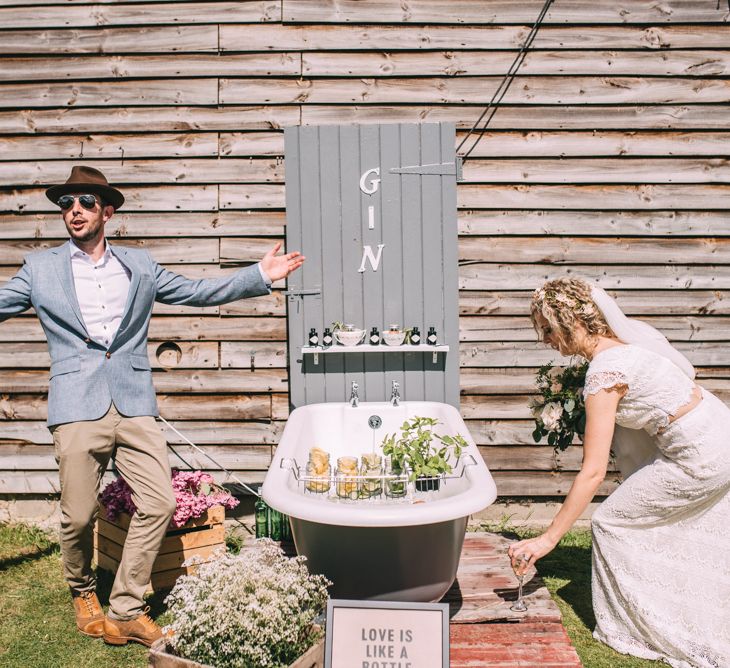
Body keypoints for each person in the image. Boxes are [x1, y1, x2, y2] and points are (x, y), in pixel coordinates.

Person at [0, 166, 305, 647]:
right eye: (66, 204)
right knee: (78, 516)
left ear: (107, 211)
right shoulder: (40, 269)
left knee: (159, 502)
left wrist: (258, 276)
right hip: (77, 405)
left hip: (134, 403)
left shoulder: (139, 266)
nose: (73, 211)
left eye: (83, 202)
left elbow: (195, 291)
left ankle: (125, 607)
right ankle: (83, 591)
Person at [509, 277, 729, 668]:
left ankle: (646, 625)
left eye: (547, 329)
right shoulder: (631, 343)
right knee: (676, 522)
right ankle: (684, 598)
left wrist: (547, 538)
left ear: (571, 322)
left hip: (698, 454)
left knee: (611, 522)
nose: (544, 339)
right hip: (718, 431)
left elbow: (592, 472)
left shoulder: (603, 374)